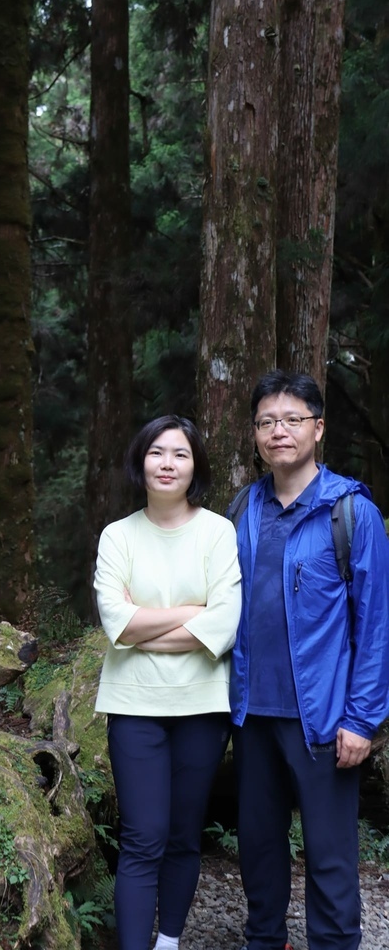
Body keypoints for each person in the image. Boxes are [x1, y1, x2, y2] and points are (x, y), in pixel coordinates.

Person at [229, 369, 389, 950]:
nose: (279, 431)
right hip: (251, 715)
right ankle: (264, 942)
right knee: (260, 851)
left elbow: (375, 627)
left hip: (323, 718)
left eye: (292, 419)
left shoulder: (351, 513)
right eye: (267, 421)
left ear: (318, 429)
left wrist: (362, 718)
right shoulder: (244, 507)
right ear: (255, 434)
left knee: (329, 857)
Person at [94, 414, 242, 950]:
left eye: (180, 454)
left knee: (183, 837)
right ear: (141, 461)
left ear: (195, 465)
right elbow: (117, 623)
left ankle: (169, 942)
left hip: (203, 706)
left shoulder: (218, 532)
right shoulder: (118, 536)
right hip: (134, 707)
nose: (168, 463)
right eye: (157, 452)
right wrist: (191, 613)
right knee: (142, 839)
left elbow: (223, 626)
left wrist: (143, 627)